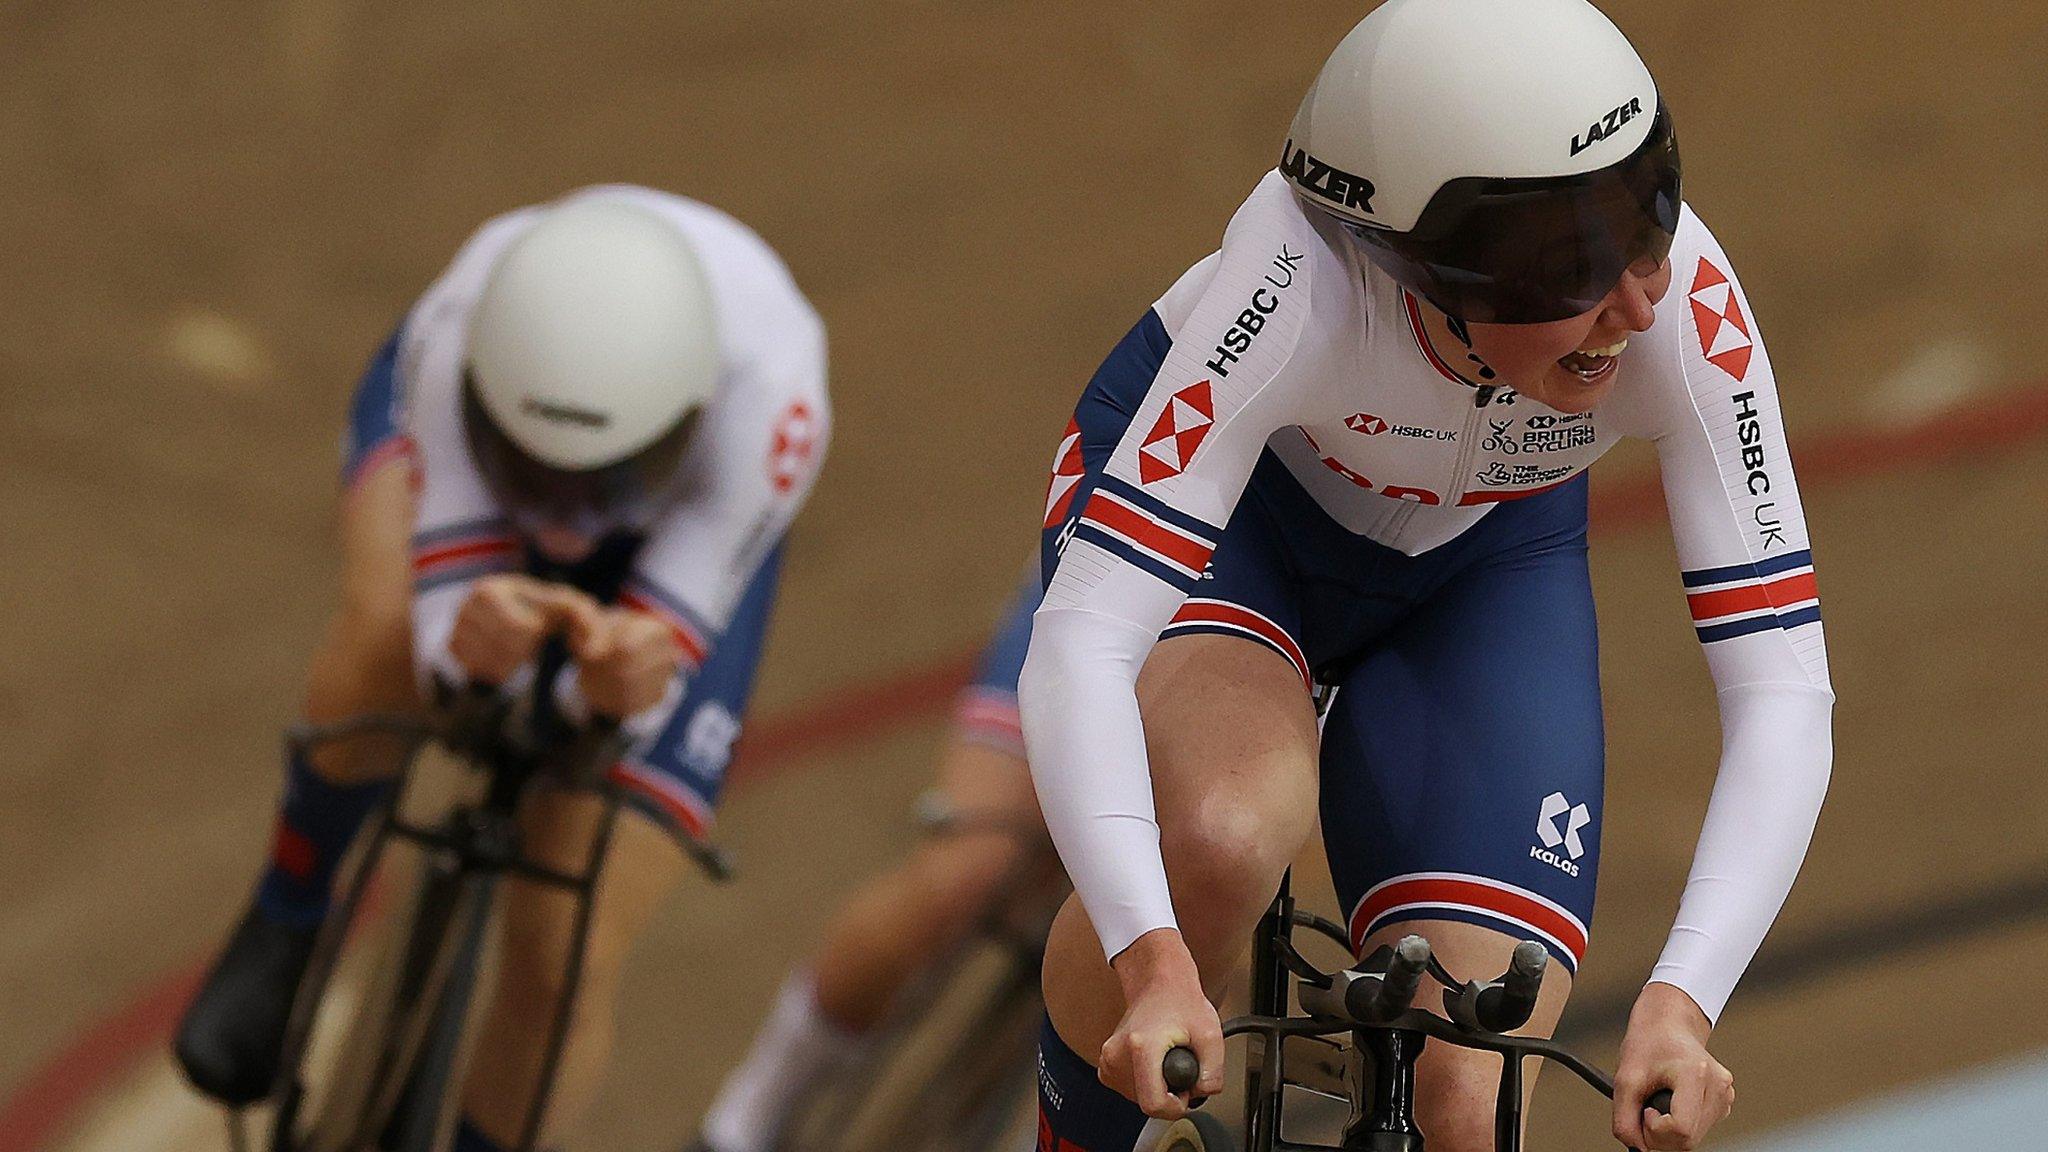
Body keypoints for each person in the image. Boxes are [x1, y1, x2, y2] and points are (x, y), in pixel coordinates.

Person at [1018, 3, 1832, 1151]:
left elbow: (1783, 690)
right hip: (1242, 531)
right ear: (1421, 264)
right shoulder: (1296, 282)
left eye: (1645, 219)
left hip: (1478, 562)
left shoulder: (1683, 309)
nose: (1637, 305)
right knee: (1218, 834)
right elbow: (1080, 642)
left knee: (1468, 1103)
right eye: (1569, 265)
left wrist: (1681, 1000)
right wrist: (1152, 965)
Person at [172, 186, 830, 1152]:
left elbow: (635, 695)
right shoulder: (451, 340)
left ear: (689, 426)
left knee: (565, 950)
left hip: (680, 534)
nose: (563, 529)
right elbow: (445, 647)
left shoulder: (772, 410)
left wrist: (598, 692)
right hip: (467, 465)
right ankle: (287, 911)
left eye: (605, 483)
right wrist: (471, 644)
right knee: (388, 632)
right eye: (536, 476)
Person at [686, 570, 1047, 1152]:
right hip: (1117, 584)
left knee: (1198, 945)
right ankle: (746, 1119)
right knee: (966, 866)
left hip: (1234, 656)